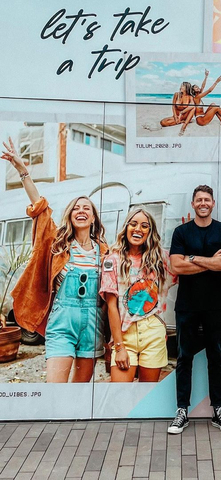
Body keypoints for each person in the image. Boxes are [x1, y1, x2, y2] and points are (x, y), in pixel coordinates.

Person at [1, 137, 107, 382]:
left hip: (93, 324)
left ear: (93, 218)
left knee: (81, 393)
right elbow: (39, 206)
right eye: (76, 208)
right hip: (62, 322)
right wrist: (22, 170)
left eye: (86, 209)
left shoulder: (105, 250)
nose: (81, 211)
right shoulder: (57, 243)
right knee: (56, 389)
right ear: (70, 216)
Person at [168, 185, 221, 434]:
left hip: (215, 304)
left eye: (207, 199)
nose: (203, 203)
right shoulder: (181, 232)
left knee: (215, 358)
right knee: (184, 357)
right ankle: (181, 411)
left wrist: (194, 258)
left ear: (213, 203)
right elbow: (176, 266)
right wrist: (210, 262)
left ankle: (218, 410)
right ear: (193, 204)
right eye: (199, 200)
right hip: (187, 304)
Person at [100, 208, 176, 382]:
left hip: (153, 332)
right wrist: (118, 347)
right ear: (126, 227)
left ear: (150, 231)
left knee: (146, 396)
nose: (138, 229)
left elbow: (185, 268)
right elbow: (112, 306)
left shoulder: (162, 259)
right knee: (119, 395)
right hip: (124, 333)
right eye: (133, 224)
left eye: (144, 226)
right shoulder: (113, 260)